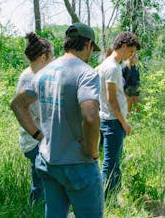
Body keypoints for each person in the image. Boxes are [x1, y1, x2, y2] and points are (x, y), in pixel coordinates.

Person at [10, 22, 103, 217]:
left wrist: (38, 136)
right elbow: (91, 115)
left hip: (48, 162)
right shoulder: (86, 73)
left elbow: (17, 105)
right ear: (87, 45)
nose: (90, 54)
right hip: (79, 165)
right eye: (91, 49)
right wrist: (91, 149)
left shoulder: (43, 73)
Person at [96, 32, 141, 198]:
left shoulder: (106, 63)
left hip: (107, 119)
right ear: (123, 47)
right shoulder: (113, 67)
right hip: (113, 122)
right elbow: (112, 99)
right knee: (111, 164)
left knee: (111, 162)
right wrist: (124, 122)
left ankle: (109, 197)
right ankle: (106, 199)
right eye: (130, 51)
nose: (131, 55)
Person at [15, 32, 53, 206]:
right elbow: (41, 111)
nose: (53, 61)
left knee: (40, 182)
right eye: (52, 57)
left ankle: (35, 210)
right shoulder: (32, 78)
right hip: (35, 141)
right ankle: (36, 210)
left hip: (34, 140)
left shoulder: (30, 74)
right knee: (42, 185)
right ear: (44, 57)